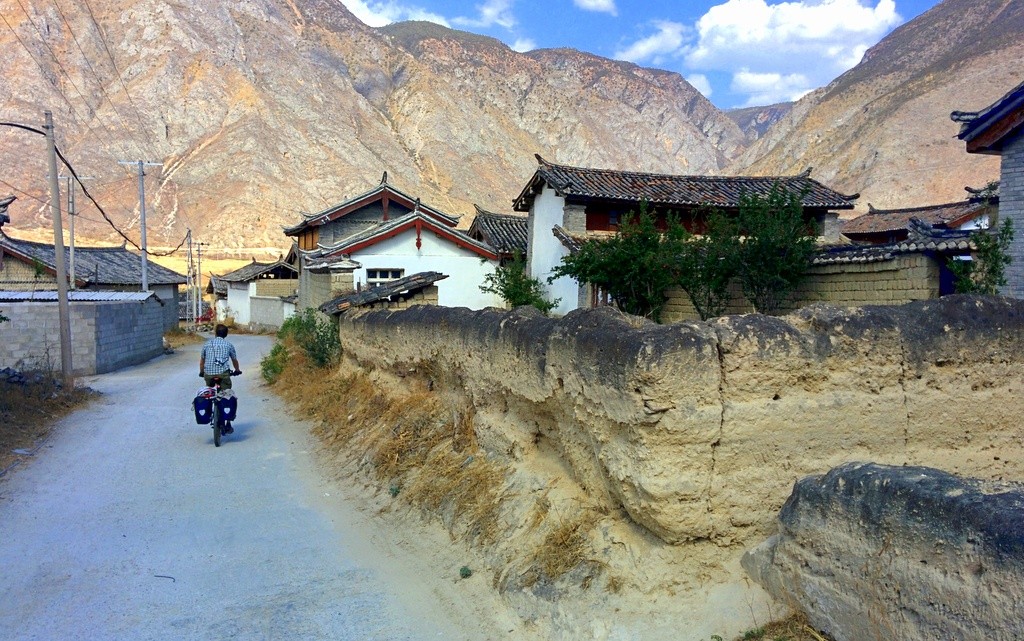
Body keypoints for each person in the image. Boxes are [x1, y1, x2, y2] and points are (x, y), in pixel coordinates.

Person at [199, 324, 241, 433]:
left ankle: (210, 412)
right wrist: (237, 370)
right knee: (226, 394)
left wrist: (202, 372)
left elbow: (202, 361)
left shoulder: (207, 344)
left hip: (209, 375)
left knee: (210, 393)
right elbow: (234, 360)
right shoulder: (229, 345)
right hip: (223, 374)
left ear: (215, 333)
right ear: (226, 334)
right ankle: (228, 423)